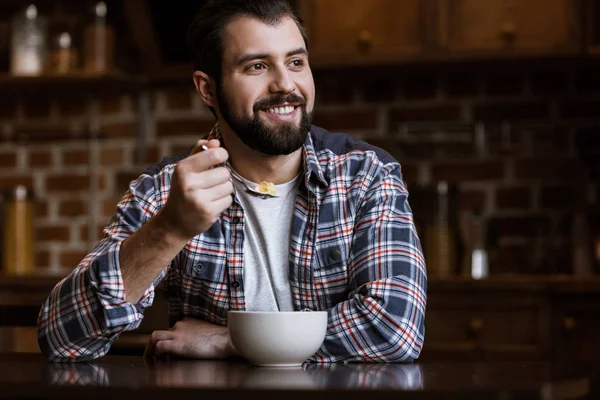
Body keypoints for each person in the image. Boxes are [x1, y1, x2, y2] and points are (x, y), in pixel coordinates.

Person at [37, 0, 427, 363]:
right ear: (208, 88)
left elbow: (396, 329)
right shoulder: (167, 191)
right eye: (257, 66)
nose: (284, 85)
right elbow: (62, 339)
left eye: (295, 62)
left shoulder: (365, 175)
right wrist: (169, 230)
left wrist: (231, 341)